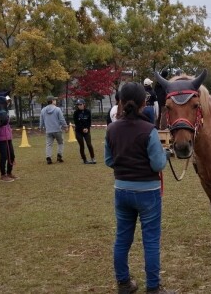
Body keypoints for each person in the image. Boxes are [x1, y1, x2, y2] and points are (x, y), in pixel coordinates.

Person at [104, 82, 175, 294]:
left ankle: (124, 283)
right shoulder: (149, 130)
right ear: (145, 103)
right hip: (148, 193)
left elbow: (109, 161)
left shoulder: (111, 129)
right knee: (151, 241)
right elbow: (158, 164)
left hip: (122, 190)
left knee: (122, 238)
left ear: (120, 102)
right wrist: (166, 154)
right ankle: (153, 288)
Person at [0, 96, 17, 182]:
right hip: (0, 136)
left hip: (8, 136)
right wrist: (0, 123)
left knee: (12, 155)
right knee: (4, 156)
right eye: (7, 101)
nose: (8, 103)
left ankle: (9, 173)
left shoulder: (5, 111)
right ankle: (3, 174)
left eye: (8, 101)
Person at [39, 95, 68, 164]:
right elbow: (61, 119)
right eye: (54, 100)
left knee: (49, 144)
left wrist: (41, 127)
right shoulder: (57, 109)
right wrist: (65, 126)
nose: (55, 101)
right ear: (52, 101)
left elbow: (41, 120)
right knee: (60, 143)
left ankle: (48, 157)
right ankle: (59, 156)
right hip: (57, 130)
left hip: (48, 130)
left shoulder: (43, 110)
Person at [73, 99, 96, 164]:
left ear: (84, 104)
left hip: (86, 130)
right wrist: (82, 129)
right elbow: (77, 123)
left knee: (89, 144)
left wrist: (87, 128)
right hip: (79, 131)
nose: (79, 106)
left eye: (80, 104)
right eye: (78, 105)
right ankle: (84, 159)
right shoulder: (76, 113)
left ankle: (93, 158)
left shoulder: (88, 111)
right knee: (82, 145)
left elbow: (89, 121)